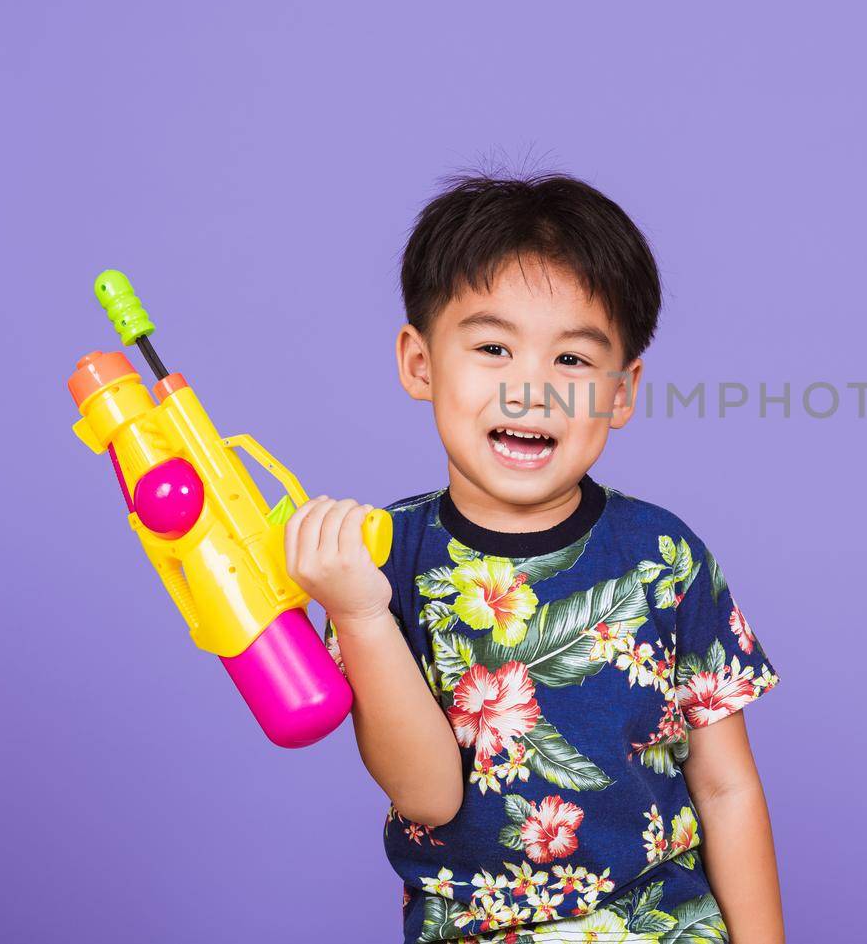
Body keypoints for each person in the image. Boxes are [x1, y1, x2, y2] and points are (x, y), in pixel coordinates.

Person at [285, 174, 784, 943]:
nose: (530, 388)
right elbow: (427, 796)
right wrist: (357, 612)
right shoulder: (381, 562)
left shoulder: (664, 555)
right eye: (492, 347)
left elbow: (725, 788)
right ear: (420, 362)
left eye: (574, 361)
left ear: (622, 390)